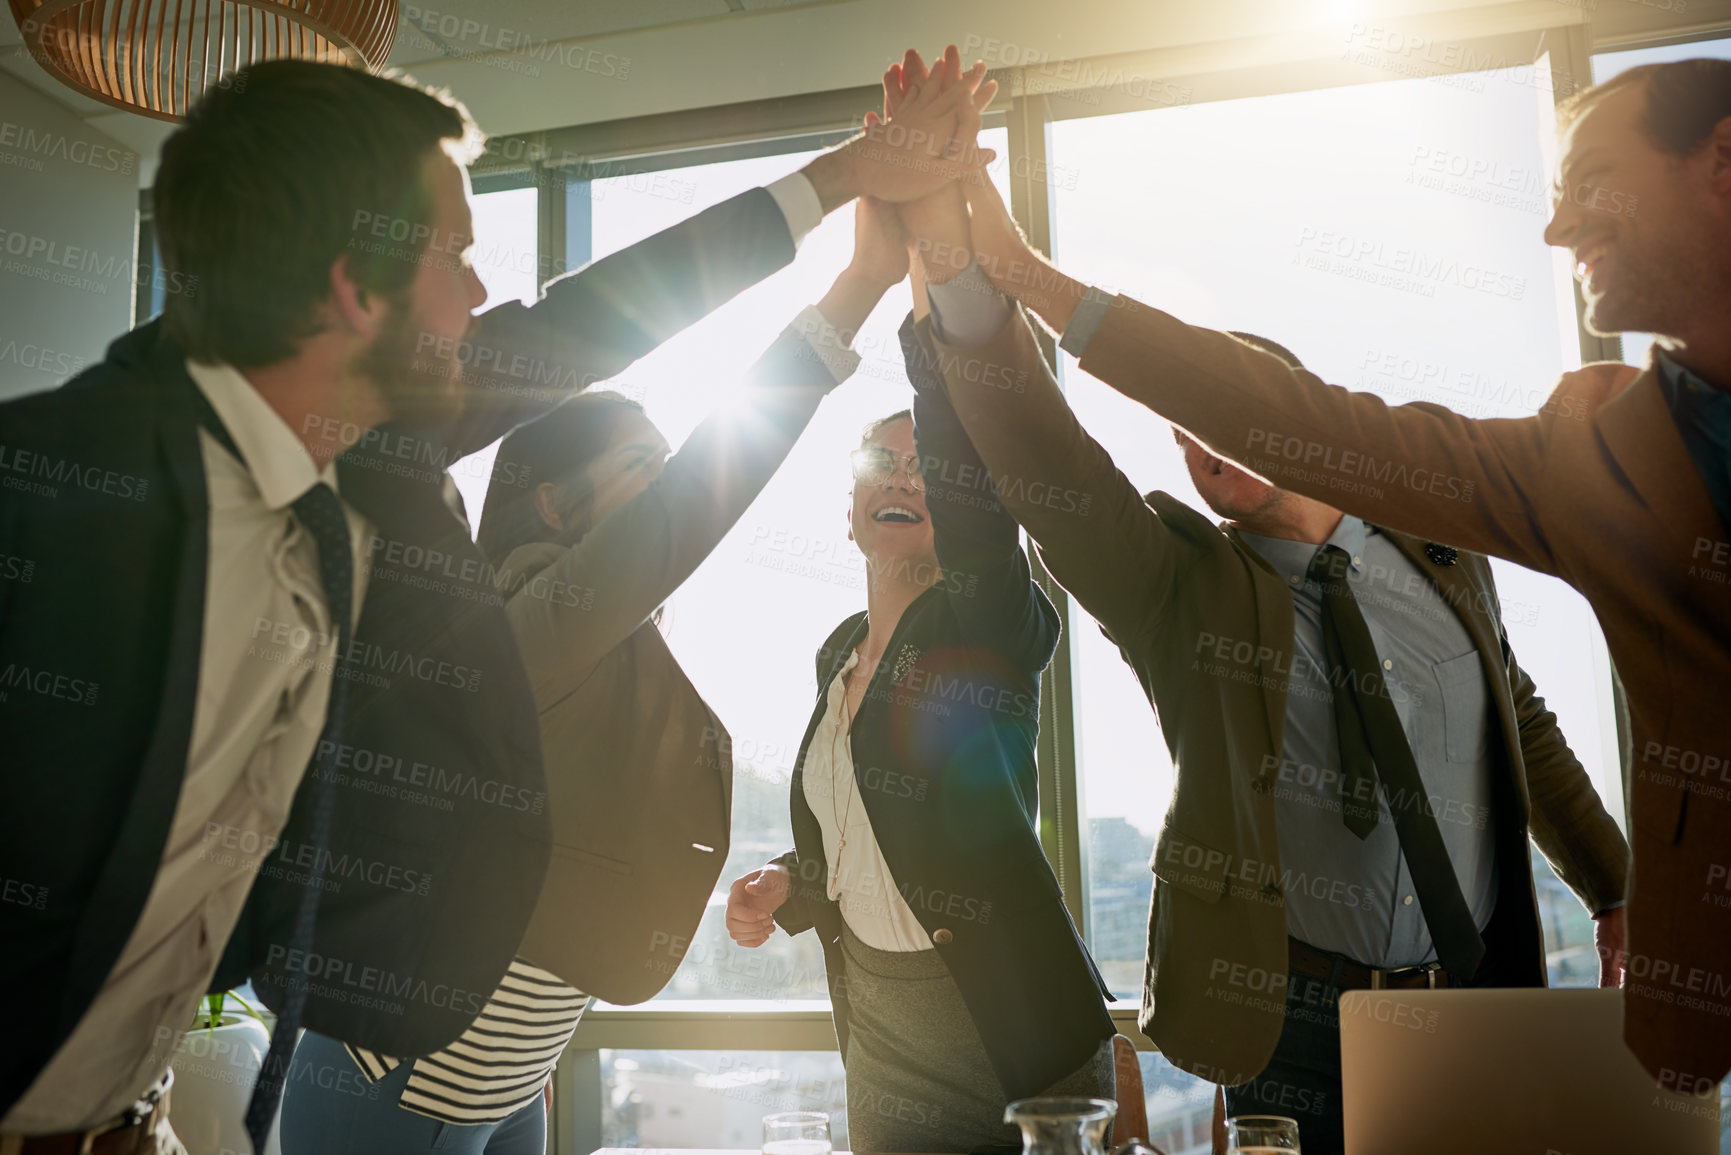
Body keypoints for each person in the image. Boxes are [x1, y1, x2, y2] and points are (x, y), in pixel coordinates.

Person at [0, 51, 994, 1152]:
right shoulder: (49, 500)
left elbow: (598, 318)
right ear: (349, 282)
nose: (482, 296)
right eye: (458, 259)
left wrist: (854, 176)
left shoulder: (371, 452)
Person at [898, 51, 1731, 1091]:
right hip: (1286, 1026)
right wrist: (971, 270)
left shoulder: (1447, 554)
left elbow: (1522, 725)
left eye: (1215, 416)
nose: (1198, 444)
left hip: (1467, 994)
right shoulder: (1182, 582)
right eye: (1181, 437)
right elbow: (1048, 458)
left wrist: (1615, 885)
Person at [280, 196, 910, 1155]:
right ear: (552, 501)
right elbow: (698, 497)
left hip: (511, 1087)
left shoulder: (610, 648)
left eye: (661, 468)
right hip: (392, 1078)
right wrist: (856, 286)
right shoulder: (514, 626)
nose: (660, 488)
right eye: (637, 469)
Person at [724, 121, 1116, 1151]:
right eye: (876, 469)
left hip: (1008, 1026)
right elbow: (866, 826)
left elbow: (977, 500)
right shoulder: (836, 654)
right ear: (848, 511)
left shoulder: (991, 619)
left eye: (921, 467)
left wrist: (920, 292)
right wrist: (788, 880)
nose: (902, 480)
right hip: (881, 1035)